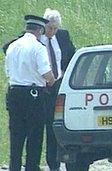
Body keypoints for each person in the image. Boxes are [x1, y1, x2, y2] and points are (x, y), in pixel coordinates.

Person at [5, 15, 55, 171]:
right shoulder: (38, 47)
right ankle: (31, 167)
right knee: (35, 136)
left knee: (16, 136)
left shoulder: (12, 46)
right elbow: (46, 73)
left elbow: (8, 71)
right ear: (39, 30)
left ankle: (14, 167)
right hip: (33, 95)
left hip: (14, 93)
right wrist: (52, 81)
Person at [40, 8, 75, 171]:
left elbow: (71, 57)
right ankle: (51, 163)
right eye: (50, 28)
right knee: (45, 125)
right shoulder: (34, 38)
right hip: (41, 88)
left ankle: (59, 161)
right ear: (44, 25)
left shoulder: (62, 36)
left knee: (58, 125)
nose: (52, 32)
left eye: (55, 28)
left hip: (59, 86)